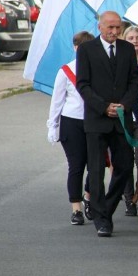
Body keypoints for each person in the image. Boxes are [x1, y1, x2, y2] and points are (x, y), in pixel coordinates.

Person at [75, 11, 138, 237]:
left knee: (124, 166)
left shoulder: (126, 49)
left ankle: (105, 208)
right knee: (95, 170)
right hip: (97, 119)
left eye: (117, 28)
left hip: (122, 119)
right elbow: (83, 85)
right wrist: (104, 107)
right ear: (100, 26)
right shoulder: (86, 50)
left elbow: (134, 80)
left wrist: (124, 104)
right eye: (110, 28)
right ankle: (102, 220)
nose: (114, 32)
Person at [47, 31, 95, 226]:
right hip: (71, 122)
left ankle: (89, 197)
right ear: (75, 48)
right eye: (79, 47)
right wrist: (53, 125)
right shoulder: (66, 71)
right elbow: (56, 101)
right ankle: (76, 208)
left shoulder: (97, 69)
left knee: (95, 164)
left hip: (94, 121)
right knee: (76, 166)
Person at [120, 25, 138, 216]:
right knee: (124, 161)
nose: (135, 40)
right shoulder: (120, 62)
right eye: (131, 38)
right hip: (125, 117)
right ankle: (129, 199)